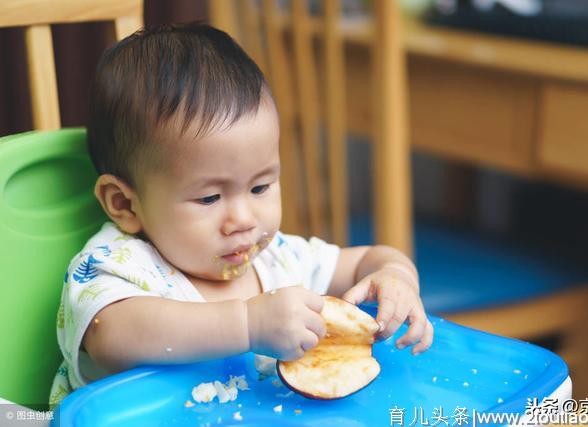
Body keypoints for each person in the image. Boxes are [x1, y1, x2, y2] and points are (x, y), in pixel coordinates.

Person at [49, 23, 433, 407]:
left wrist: (395, 277)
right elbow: (112, 337)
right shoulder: (117, 266)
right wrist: (248, 325)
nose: (244, 219)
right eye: (210, 197)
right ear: (124, 204)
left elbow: (367, 260)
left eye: (260, 187)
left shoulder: (278, 259)